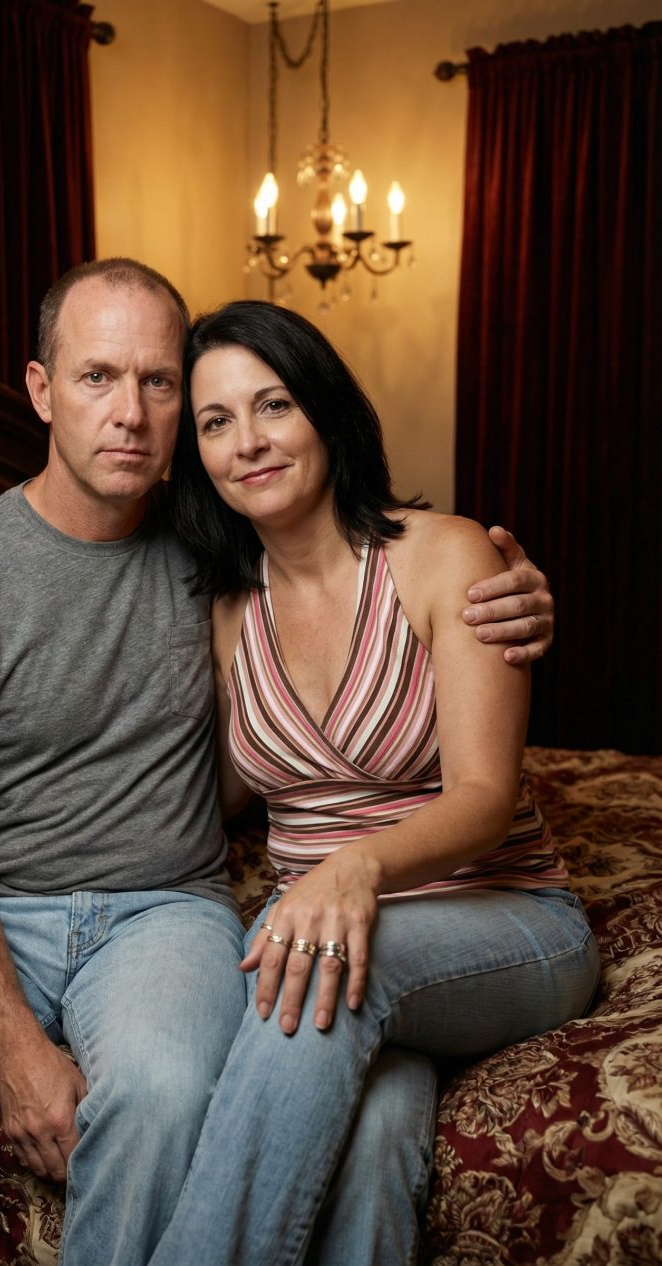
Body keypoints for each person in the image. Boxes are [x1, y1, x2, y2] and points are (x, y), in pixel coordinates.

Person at [0, 260, 557, 1266]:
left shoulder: (216, 543)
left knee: (169, 1097)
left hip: (168, 911)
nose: (131, 414)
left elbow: (373, 599)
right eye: (97, 377)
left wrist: (521, 602)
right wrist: (18, 1050)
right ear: (42, 390)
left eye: (159, 383)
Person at [148, 300, 600, 1266]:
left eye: (273, 405)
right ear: (196, 456)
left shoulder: (445, 556)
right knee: (380, 1123)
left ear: (325, 412)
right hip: (344, 948)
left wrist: (352, 869)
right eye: (215, 422)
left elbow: (482, 798)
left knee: (311, 966)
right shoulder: (227, 610)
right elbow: (218, 796)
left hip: (507, 918)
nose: (247, 441)